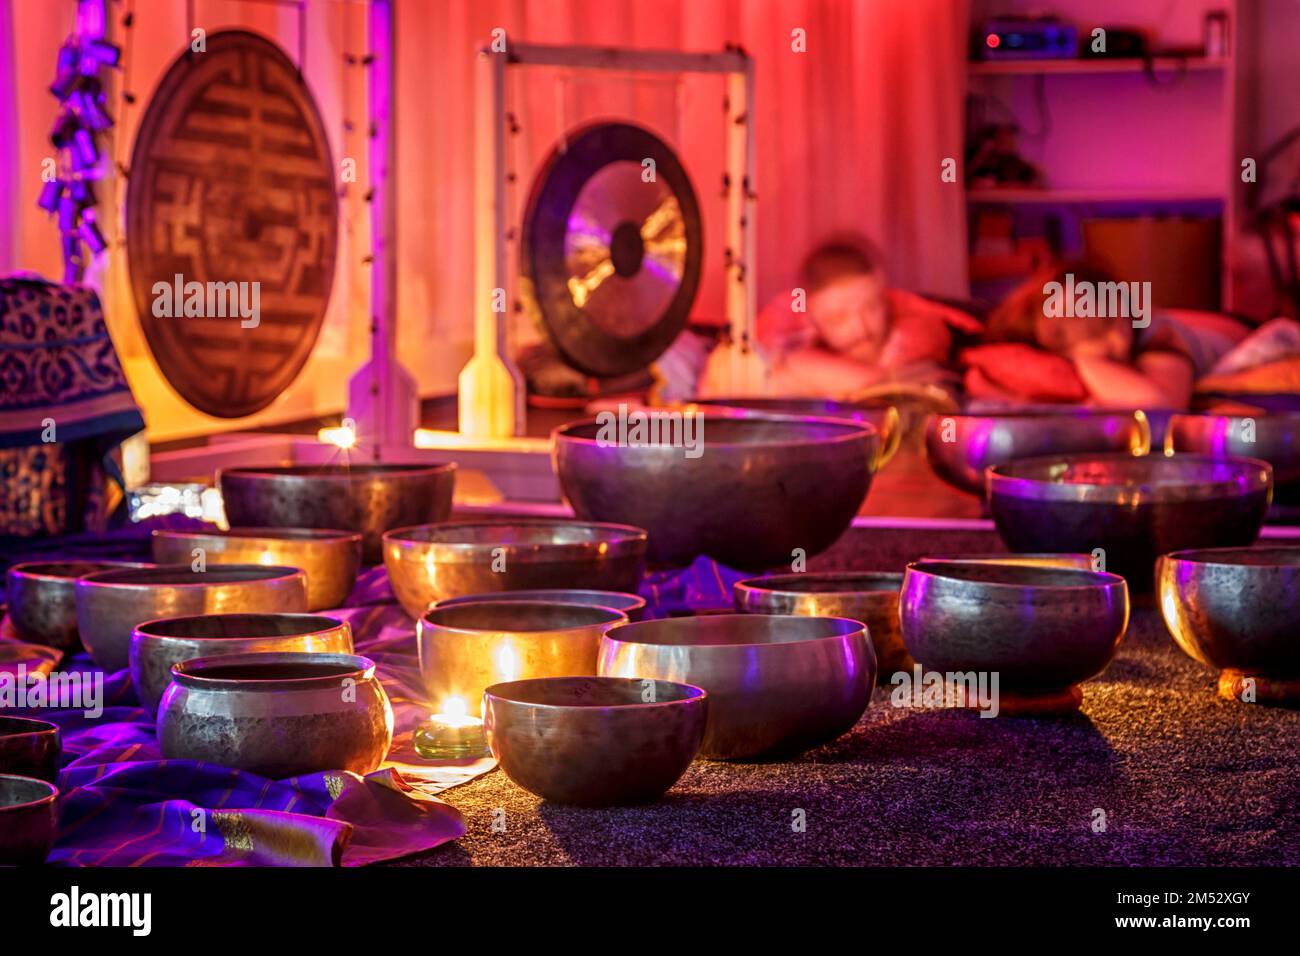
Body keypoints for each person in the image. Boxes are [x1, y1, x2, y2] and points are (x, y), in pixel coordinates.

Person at [963, 260, 1249, 410]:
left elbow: (1161, 403)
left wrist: (1081, 362)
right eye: (1093, 332)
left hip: (1236, 329)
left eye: (1113, 319)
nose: (1117, 340)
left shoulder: (1157, 336)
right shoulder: (1038, 338)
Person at [740, 239, 979, 397]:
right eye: (838, 318)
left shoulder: (920, 329)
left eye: (871, 308)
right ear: (813, 322)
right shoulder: (792, 332)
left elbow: (908, 396)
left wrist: (801, 368)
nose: (861, 328)